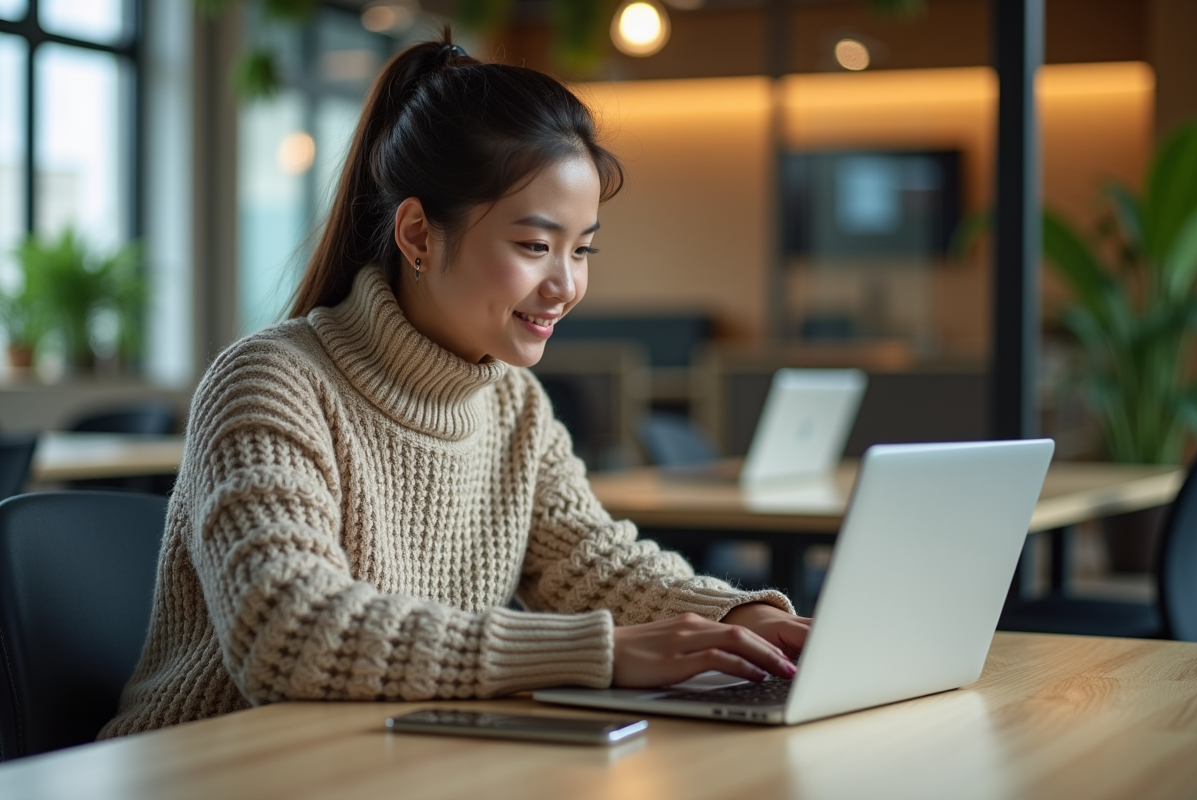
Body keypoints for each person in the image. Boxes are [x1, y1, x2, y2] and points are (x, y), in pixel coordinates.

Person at [100, 35, 810, 738]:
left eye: (582, 248)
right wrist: (601, 654)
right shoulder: (272, 382)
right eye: (535, 246)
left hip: (388, 759)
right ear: (418, 235)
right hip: (216, 768)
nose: (566, 286)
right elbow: (290, 635)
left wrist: (741, 619)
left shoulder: (512, 403)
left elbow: (593, 563)